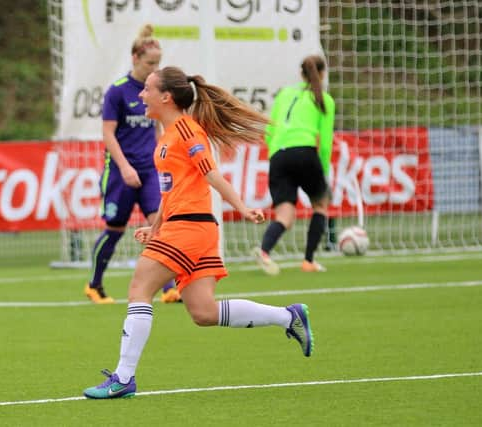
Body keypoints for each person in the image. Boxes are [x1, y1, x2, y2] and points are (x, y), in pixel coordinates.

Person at [83, 66, 314, 399]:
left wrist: (242, 206)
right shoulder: (165, 138)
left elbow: (212, 175)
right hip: (188, 227)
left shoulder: (188, 131)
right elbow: (170, 192)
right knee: (204, 313)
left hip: (189, 228)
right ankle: (287, 316)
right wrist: (156, 226)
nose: (140, 95)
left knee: (139, 287)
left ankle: (123, 377)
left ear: (166, 97)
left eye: (147, 89)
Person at [85, 24, 180, 304]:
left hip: (150, 170)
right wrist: (125, 167)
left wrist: (164, 157)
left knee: (160, 226)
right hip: (120, 170)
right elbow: (108, 133)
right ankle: (94, 285)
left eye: (158, 63)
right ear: (135, 59)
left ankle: (168, 288)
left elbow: (156, 129)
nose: (155, 68)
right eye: (151, 63)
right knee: (114, 230)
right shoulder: (118, 92)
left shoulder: (154, 90)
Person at [252, 55, 336, 275]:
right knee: (320, 205)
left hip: (279, 156)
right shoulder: (324, 99)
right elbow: (325, 141)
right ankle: (308, 261)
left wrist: (274, 153)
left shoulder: (285, 94)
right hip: (305, 153)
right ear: (323, 73)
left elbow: (269, 129)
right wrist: (323, 170)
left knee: (285, 216)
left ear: (301, 74)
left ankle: (264, 251)